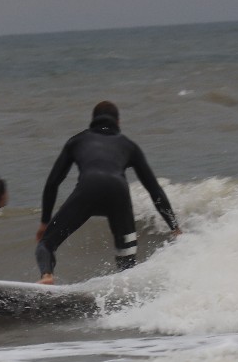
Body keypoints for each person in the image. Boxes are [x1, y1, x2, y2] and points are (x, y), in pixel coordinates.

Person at [35, 101, 180, 284]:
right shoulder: (129, 146)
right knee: (126, 262)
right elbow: (154, 189)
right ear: (118, 122)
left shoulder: (77, 141)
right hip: (119, 194)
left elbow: (53, 182)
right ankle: (124, 287)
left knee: (46, 244)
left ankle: (47, 275)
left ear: (93, 119)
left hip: (88, 189)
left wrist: (44, 221)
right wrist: (174, 226)